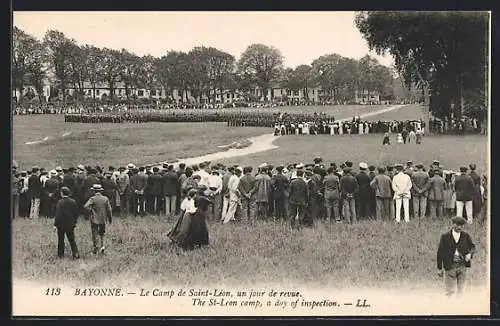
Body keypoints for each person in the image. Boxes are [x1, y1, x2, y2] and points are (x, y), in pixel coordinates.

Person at [437, 216, 476, 297]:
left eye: (462, 225)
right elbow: (440, 253)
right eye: (458, 225)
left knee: (461, 291)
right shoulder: (445, 237)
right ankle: (450, 308)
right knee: (449, 292)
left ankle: (460, 307)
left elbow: (472, 247)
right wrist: (439, 268)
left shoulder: (465, 236)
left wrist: (470, 254)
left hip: (462, 266)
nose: (460, 227)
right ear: (452, 224)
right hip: (449, 267)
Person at [84, 184, 113, 255]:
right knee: (102, 234)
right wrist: (110, 218)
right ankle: (102, 246)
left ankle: (95, 249)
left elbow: (85, 206)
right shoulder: (105, 198)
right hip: (103, 219)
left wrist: (91, 210)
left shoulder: (92, 199)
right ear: (100, 191)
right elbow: (109, 210)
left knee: (95, 234)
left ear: (94, 191)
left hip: (94, 219)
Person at [54, 186, 80, 259]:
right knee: (72, 240)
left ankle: (60, 255)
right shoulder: (73, 201)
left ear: (62, 193)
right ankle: (76, 254)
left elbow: (58, 214)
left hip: (61, 224)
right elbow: (76, 213)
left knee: (61, 240)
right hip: (70, 224)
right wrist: (74, 221)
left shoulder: (60, 202)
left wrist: (55, 224)